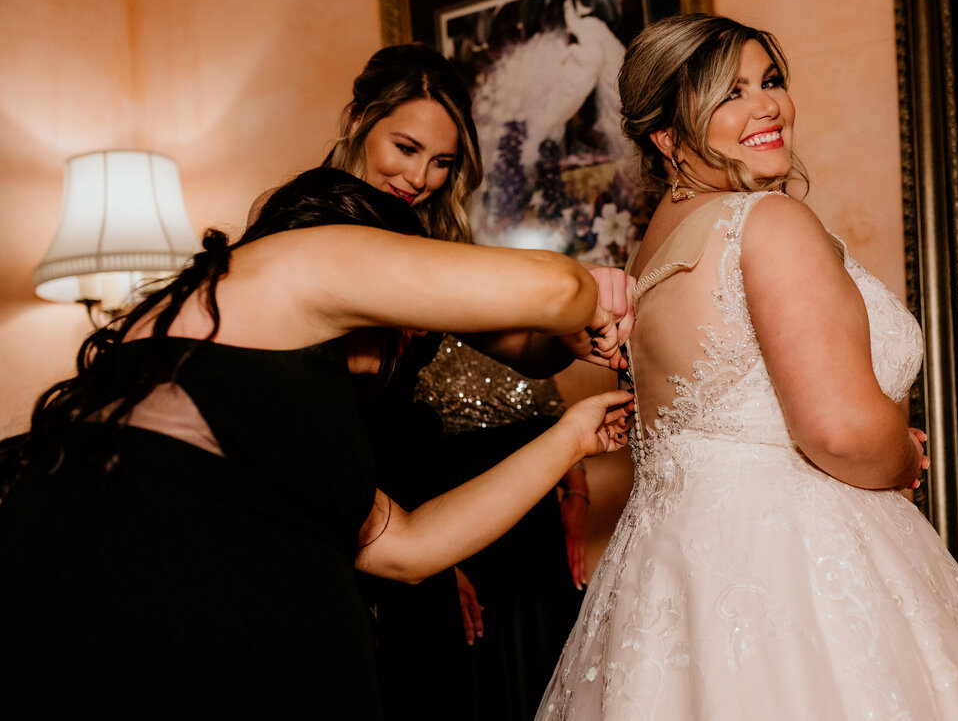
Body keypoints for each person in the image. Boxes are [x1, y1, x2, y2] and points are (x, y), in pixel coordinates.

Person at [536, 14, 958, 719]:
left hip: (677, 574)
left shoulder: (650, 251)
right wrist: (898, 451)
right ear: (667, 135)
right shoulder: (766, 223)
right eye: (731, 93)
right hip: (799, 573)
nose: (767, 104)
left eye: (769, 81)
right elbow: (837, 431)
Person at [0, 168, 635, 720]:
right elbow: (558, 289)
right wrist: (596, 300)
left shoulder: (273, 392)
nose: (414, 332)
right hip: (144, 651)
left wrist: (570, 437)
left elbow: (409, 547)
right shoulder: (298, 259)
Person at [315, 42, 633, 720]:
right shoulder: (311, 230)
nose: (420, 177)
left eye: (442, 163)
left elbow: (519, 343)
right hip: (332, 506)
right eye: (404, 148)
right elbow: (320, 419)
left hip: (399, 508)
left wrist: (568, 336)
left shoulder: (421, 244)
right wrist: (415, 550)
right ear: (355, 120)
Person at [415, 336, 590, 721]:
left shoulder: (510, 324)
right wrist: (431, 560)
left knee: (542, 650)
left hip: (534, 520)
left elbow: (552, 411)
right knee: (479, 665)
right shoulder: (412, 338)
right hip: (457, 519)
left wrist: (576, 496)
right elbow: (395, 452)